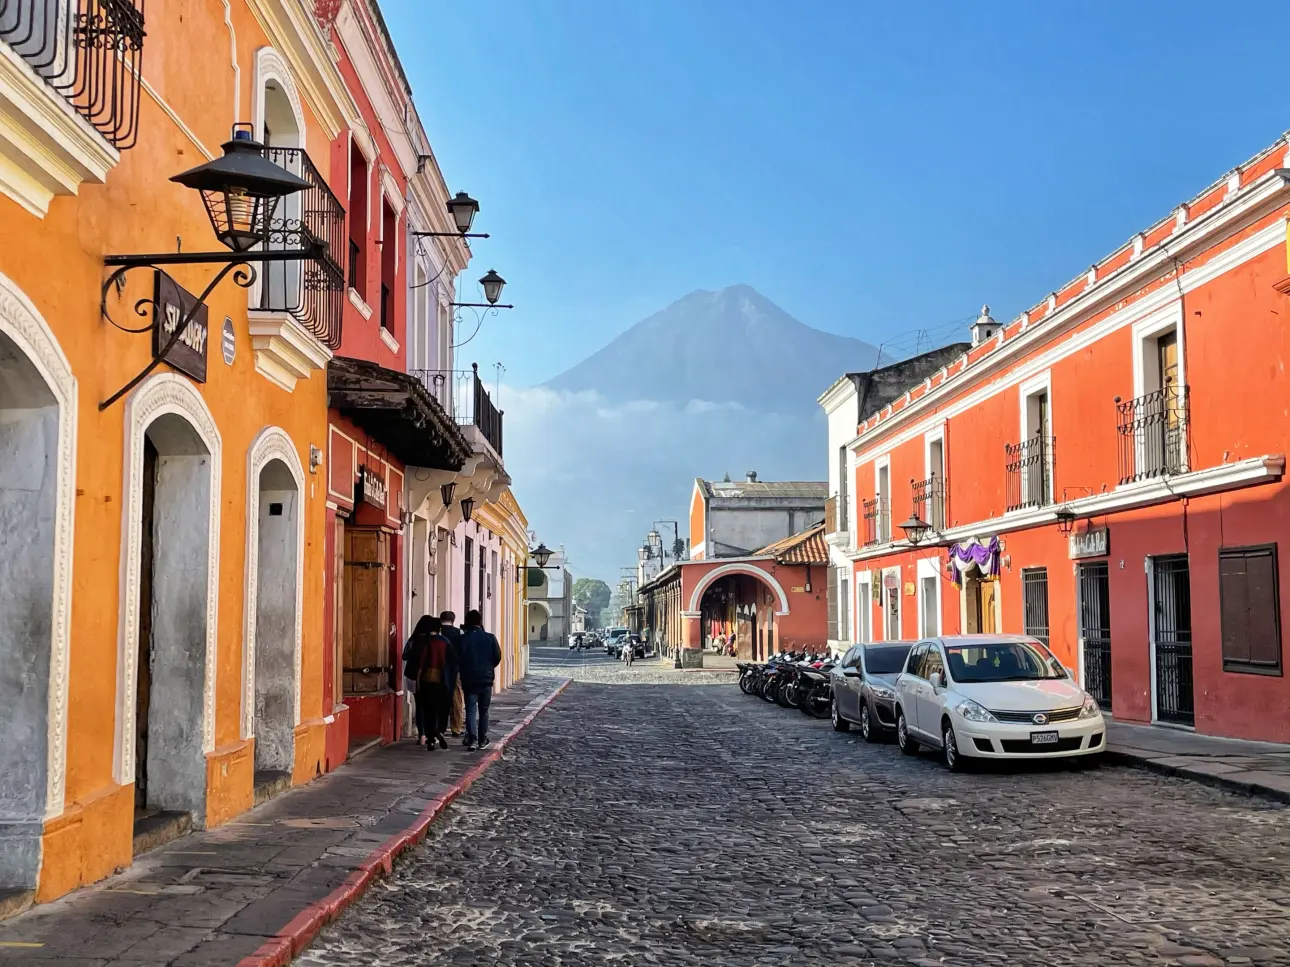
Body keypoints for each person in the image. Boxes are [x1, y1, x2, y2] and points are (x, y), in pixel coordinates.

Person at [458, 609, 502, 751]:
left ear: (467, 622)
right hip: (486, 679)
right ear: (480, 621)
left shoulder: (462, 639)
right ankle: (483, 740)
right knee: (484, 711)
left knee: (470, 710)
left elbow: (457, 659)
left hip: (469, 680)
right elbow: (497, 657)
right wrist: (488, 668)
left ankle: (473, 740)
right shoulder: (490, 638)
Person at [410, 615, 450, 750]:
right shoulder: (445, 642)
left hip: (426, 679)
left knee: (426, 709)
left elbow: (419, 662)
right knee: (440, 708)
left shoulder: (423, 641)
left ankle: (429, 737)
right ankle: (438, 730)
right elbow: (454, 660)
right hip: (442, 679)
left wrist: (418, 679)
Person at [402, 616, 432, 745]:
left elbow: (404, 656)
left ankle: (422, 735)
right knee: (430, 706)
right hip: (430, 677)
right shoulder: (433, 641)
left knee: (419, 705)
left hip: (413, 676)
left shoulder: (413, 640)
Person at [439, 610, 465, 737]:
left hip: (438, 670)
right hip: (455, 670)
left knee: (440, 699)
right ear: (453, 620)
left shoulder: (438, 633)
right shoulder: (459, 633)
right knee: (457, 700)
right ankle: (456, 727)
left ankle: (440, 727)